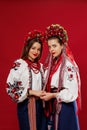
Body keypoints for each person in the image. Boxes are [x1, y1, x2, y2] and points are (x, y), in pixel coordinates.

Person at [40, 24, 81, 130]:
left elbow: (72, 93)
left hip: (65, 108)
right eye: (49, 46)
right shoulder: (51, 63)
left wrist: (53, 95)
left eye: (54, 46)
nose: (51, 50)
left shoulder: (68, 65)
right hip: (54, 105)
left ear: (62, 45)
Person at [6, 30, 47, 130]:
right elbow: (10, 88)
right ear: (27, 47)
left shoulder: (41, 67)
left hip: (41, 107)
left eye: (38, 49)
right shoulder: (19, 65)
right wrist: (31, 92)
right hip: (27, 106)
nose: (35, 52)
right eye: (33, 48)